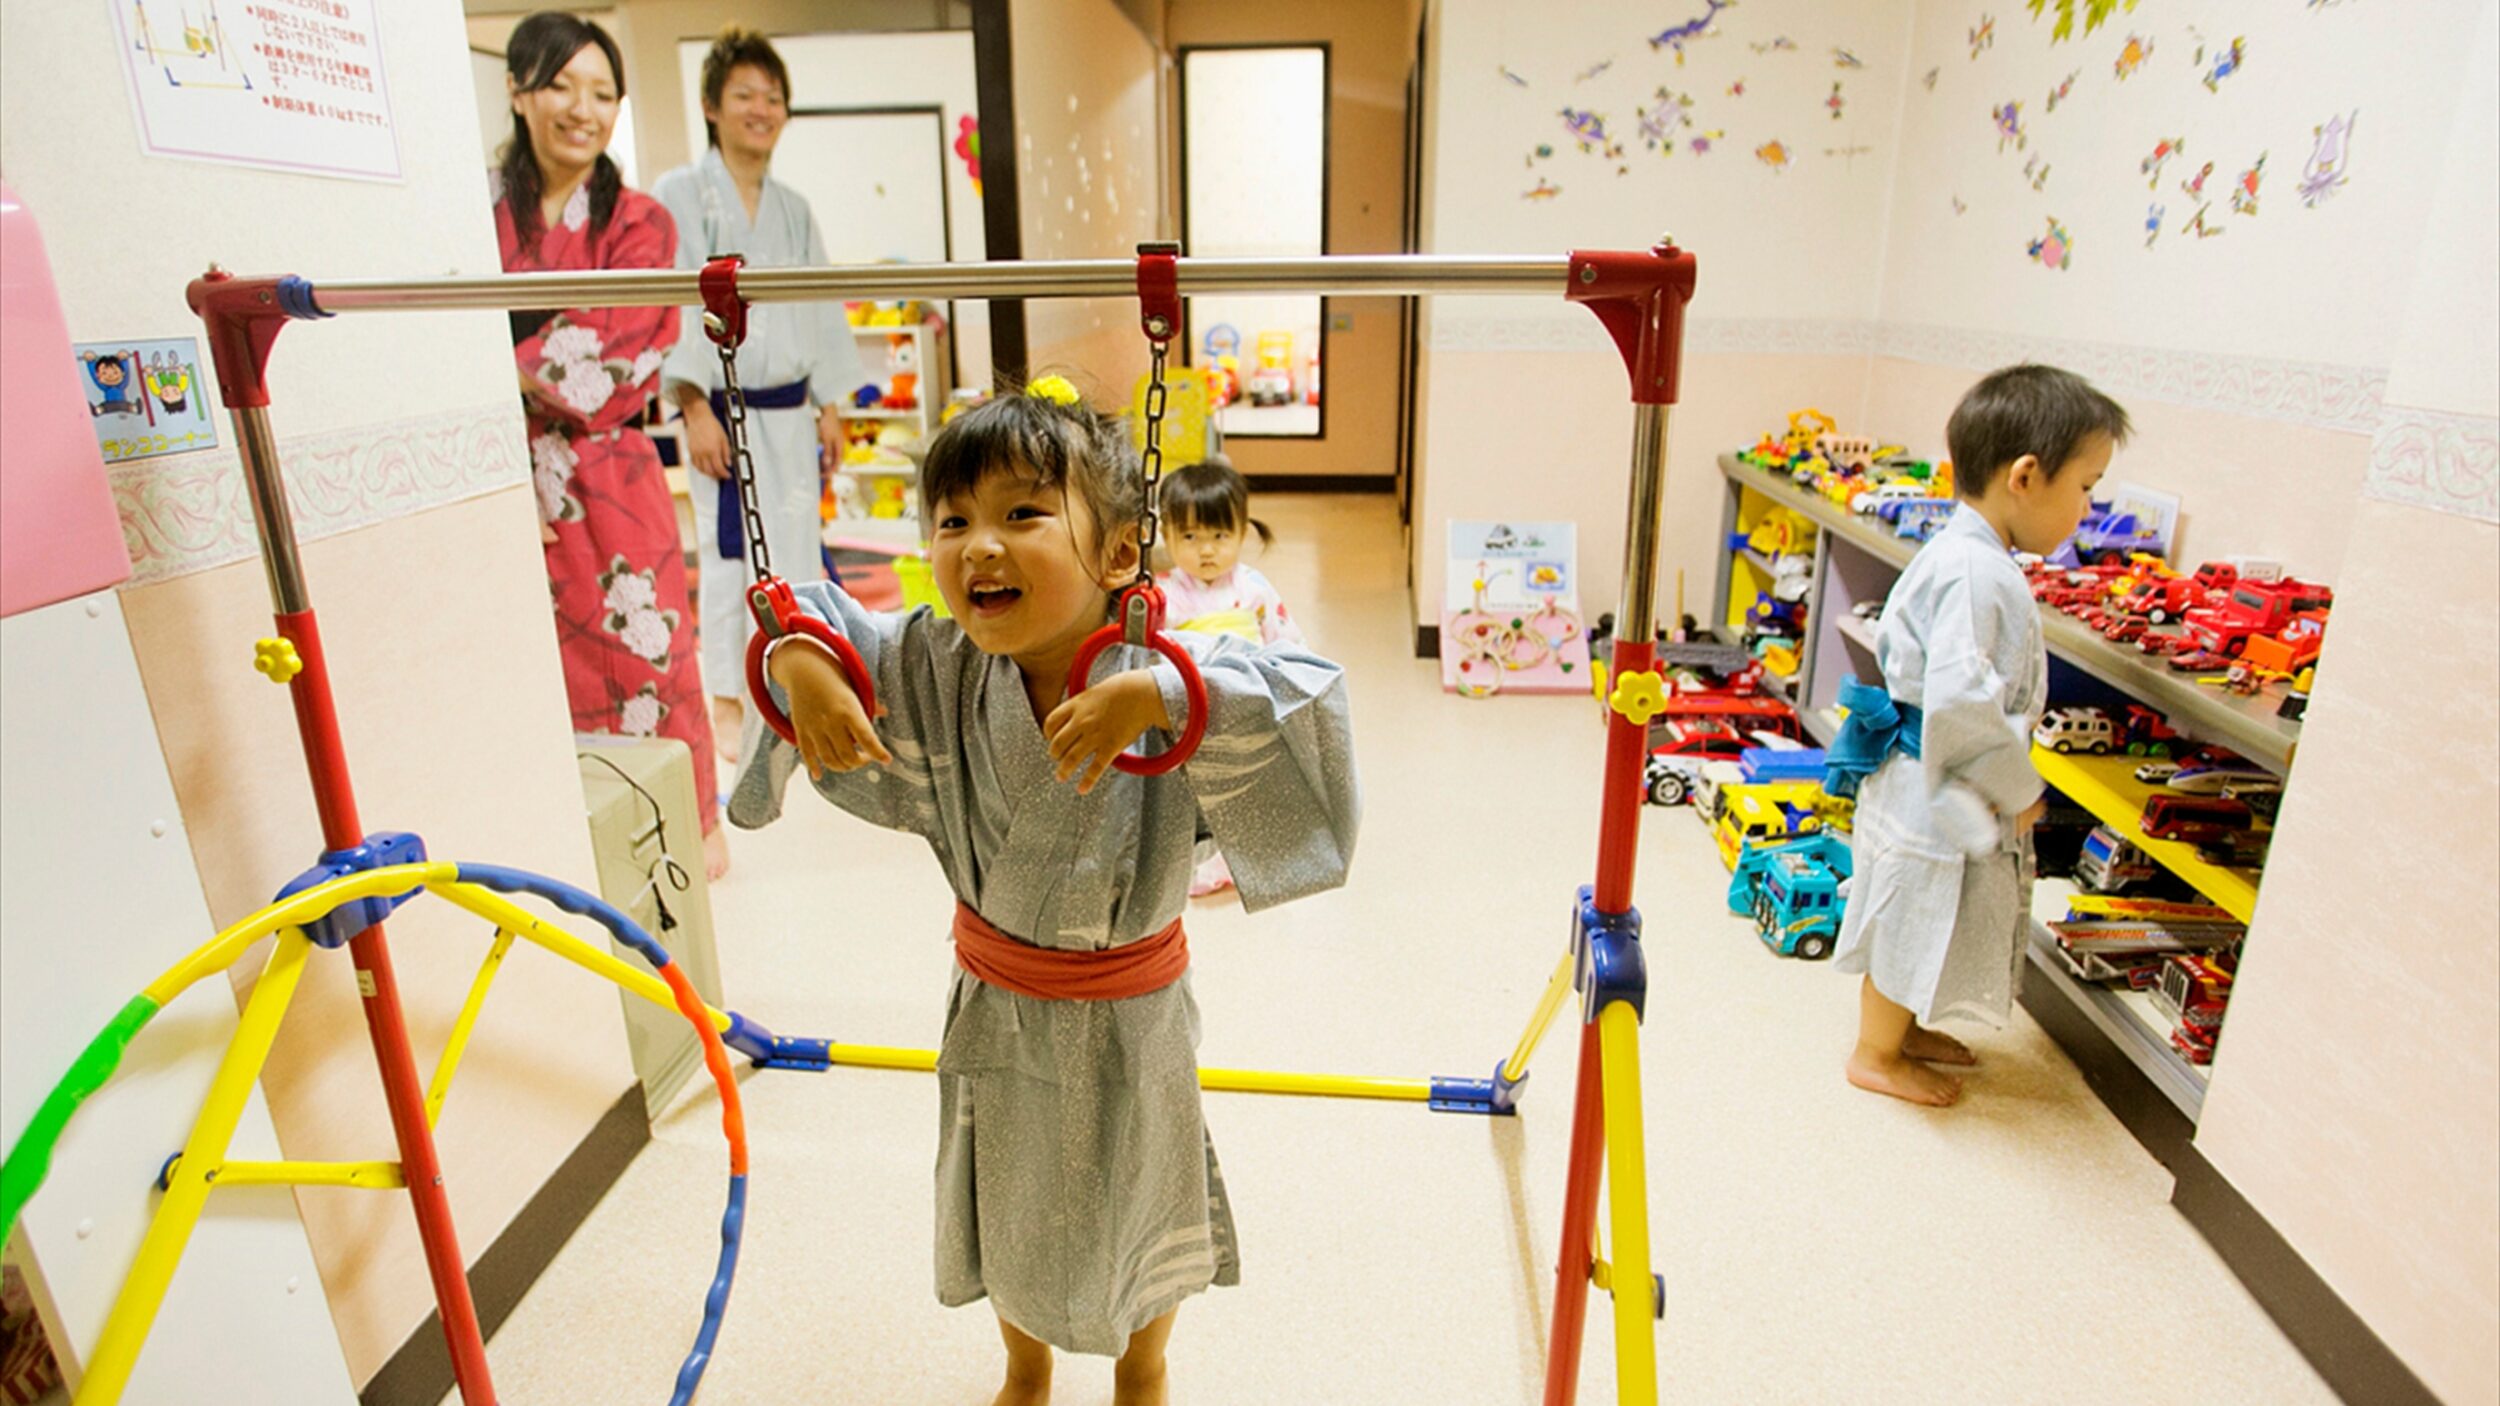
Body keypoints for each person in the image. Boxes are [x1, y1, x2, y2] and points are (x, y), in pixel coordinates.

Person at [726, 379, 1359, 1405]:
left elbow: (1306, 691)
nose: (978, 544)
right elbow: (812, 611)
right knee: (1009, 1190)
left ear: (1118, 557)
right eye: (953, 520)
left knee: (1143, 1189)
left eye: (1021, 513)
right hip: (999, 1005)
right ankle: (1023, 1362)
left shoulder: (1174, 664)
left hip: (1134, 1011)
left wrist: (1158, 692)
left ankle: (1145, 1360)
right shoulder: (941, 666)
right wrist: (801, 660)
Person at [1824, 364, 2129, 1107]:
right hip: (1940, 778)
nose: (2089, 509)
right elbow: (1963, 702)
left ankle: (1904, 1028)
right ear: (2026, 476)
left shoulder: (1972, 557)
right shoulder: (1976, 574)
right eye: (2087, 487)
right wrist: (2016, 788)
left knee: (1938, 909)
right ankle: (1876, 1051)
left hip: (1933, 771)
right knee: (1913, 907)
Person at [493, 12, 727, 880]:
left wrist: (496, 341)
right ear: (519, 92)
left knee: (649, 649)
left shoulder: (640, 221)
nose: (581, 109)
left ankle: (688, 827)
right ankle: (571, 841)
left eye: (601, 92)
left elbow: (616, 363)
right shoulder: (474, 213)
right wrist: (535, 340)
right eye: (560, 85)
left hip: (611, 473)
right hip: (506, 474)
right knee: (538, 663)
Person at [652, 27, 873, 770]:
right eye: (744, 95)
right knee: (729, 562)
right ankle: (725, 702)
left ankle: (801, 693)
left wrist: (831, 406)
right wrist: (691, 407)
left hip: (790, 409)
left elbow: (820, 306)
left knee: (797, 551)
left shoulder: (793, 207)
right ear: (712, 106)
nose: (760, 109)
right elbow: (674, 307)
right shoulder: (679, 196)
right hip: (723, 410)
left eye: (772, 98)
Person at [1153, 453, 1303, 895]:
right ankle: (1185, 851)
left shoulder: (1253, 589)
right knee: (1186, 787)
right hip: (1184, 707)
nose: (1206, 549)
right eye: (1190, 535)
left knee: (1246, 780)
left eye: (1220, 535)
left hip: (1242, 701)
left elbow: (1285, 641)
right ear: (1167, 535)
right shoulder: (1163, 595)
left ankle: (1233, 853)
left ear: (1242, 531)